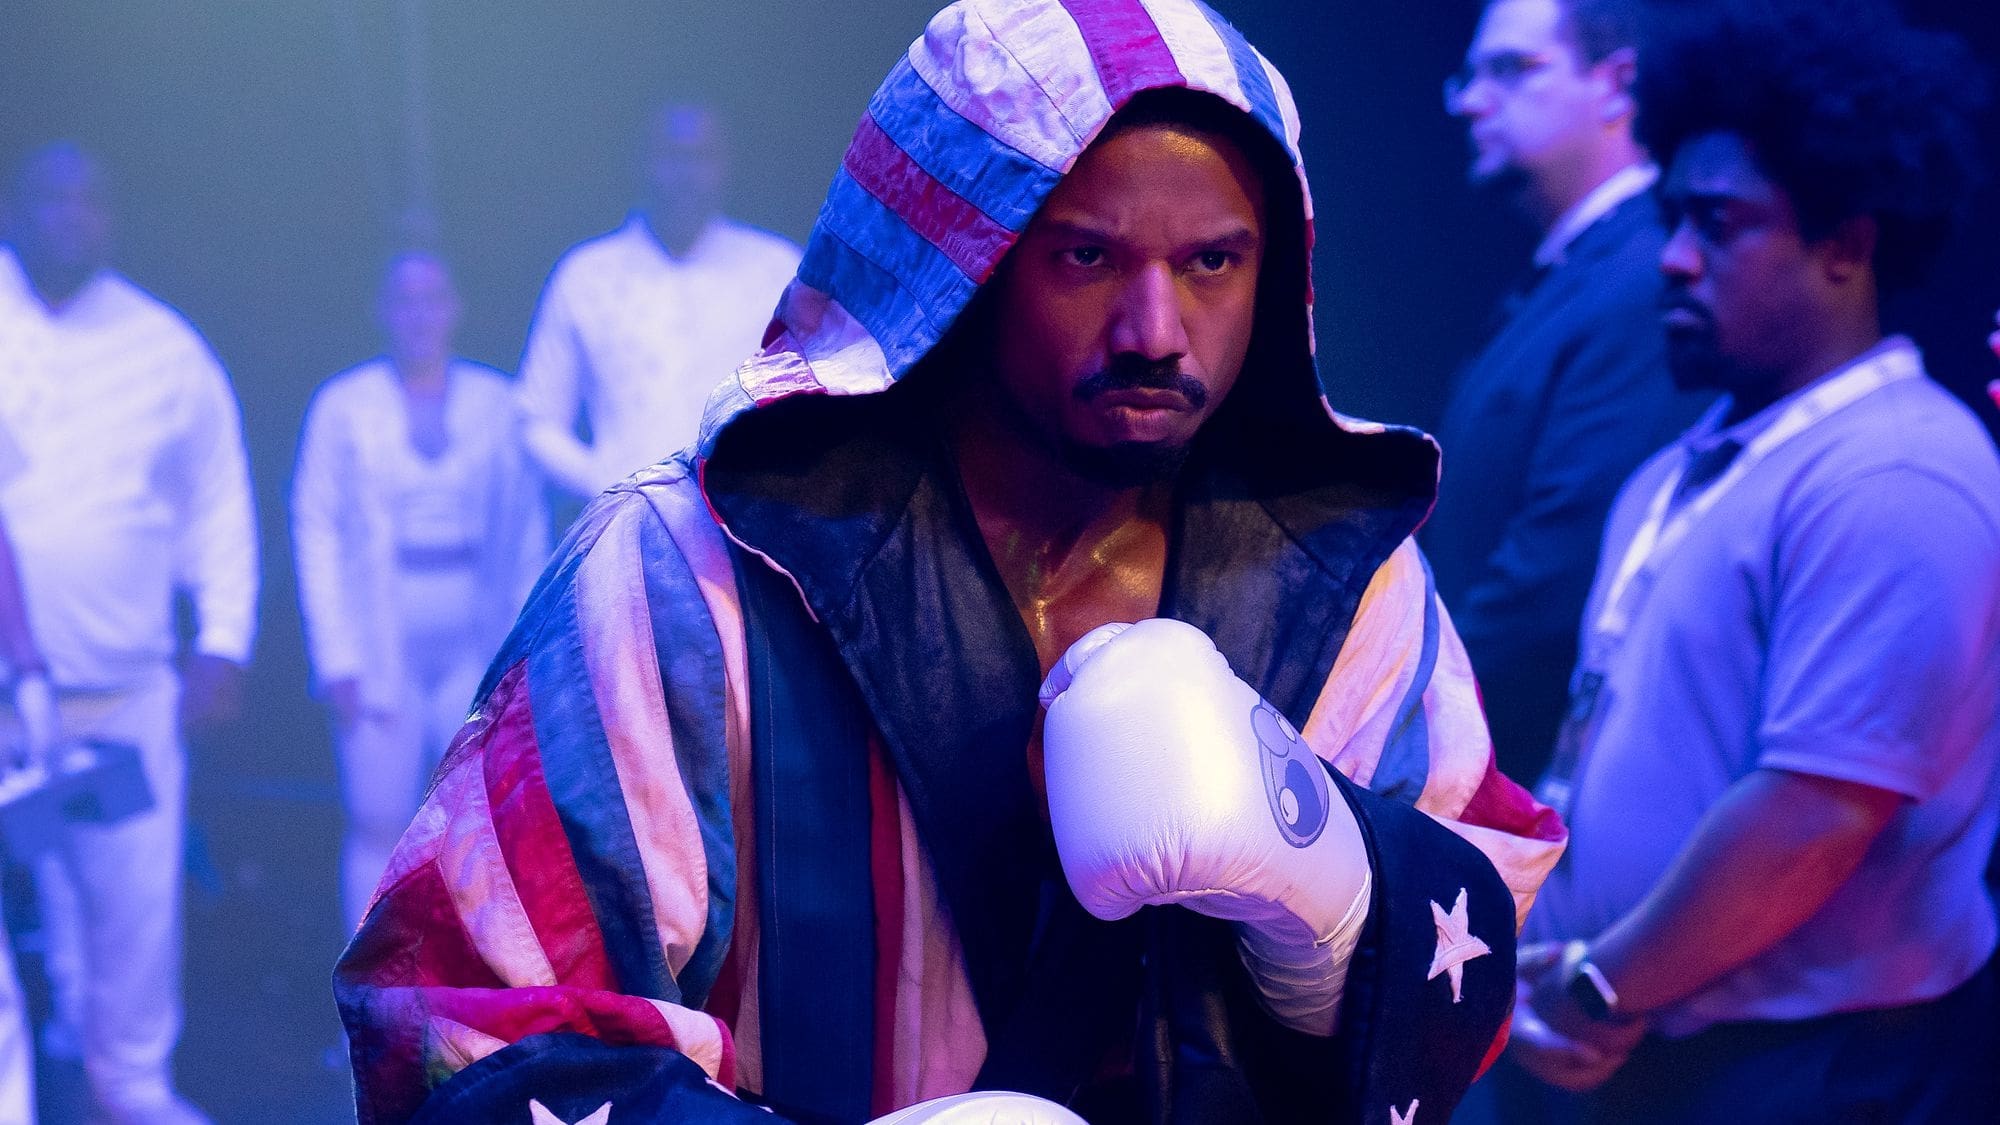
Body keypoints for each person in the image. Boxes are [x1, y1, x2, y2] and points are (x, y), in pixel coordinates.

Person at [336, 3, 1567, 1123]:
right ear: (957, 264)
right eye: (1085, 257)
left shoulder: (1348, 584)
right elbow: (476, 1029)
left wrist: (1335, 883)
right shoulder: (689, 575)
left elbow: (1475, 947)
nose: (1154, 331)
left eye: (1211, 262)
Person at [1509, 1, 2000, 1120]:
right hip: (1660, 1051)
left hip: (1814, 1073)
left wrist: (1598, 989)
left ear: (1846, 245)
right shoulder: (1687, 467)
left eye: (1719, 224)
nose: (1672, 260)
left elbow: (1813, 816)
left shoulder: (1897, 470)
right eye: (1670, 219)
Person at [0, 141, 257, 1125]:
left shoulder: (163, 348)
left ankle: (132, 1083)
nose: (71, 215)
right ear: (17, 207)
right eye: (51, 197)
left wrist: (222, 638)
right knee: (41, 909)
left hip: (123, 692)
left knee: (130, 905)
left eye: (90, 200)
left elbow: (217, 498)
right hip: (7, 695)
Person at [1426, 0, 1709, 785]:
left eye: (1511, 69)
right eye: (1468, 76)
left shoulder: (1645, 279)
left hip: (1518, 770)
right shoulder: (1576, 274)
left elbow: (1559, 576)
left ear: (1616, 85)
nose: (1469, 101)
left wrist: (1405, 723)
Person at [292, 250, 550, 935]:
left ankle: (469, 984)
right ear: (382, 310)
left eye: (433, 299)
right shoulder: (344, 406)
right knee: (377, 816)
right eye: (404, 301)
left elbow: (526, 531)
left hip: (474, 634)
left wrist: (521, 656)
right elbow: (315, 529)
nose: (420, 315)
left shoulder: (497, 404)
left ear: (455, 308)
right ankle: (366, 986)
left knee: (478, 825)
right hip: (379, 638)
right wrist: (336, 656)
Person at [516, 102, 803, 500]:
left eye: (701, 157)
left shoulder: (775, 269)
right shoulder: (586, 275)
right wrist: (610, 488)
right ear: (642, 162)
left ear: (725, 165)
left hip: (748, 520)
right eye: (671, 156)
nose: (686, 175)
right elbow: (537, 419)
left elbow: (816, 402)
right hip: (628, 521)